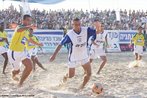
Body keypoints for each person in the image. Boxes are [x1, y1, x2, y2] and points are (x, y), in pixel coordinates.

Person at [50, 18, 100, 89]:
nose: (78, 26)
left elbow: (97, 32)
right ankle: (63, 79)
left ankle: (81, 87)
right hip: (73, 58)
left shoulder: (86, 30)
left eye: (79, 24)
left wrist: (98, 26)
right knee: (71, 76)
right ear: (72, 25)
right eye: (76, 25)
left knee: (89, 73)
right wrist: (54, 55)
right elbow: (60, 44)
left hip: (84, 56)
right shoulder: (70, 34)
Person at [7, 14, 43, 87]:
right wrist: (30, 26)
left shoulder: (26, 31)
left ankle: (20, 83)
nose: (29, 22)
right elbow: (19, 29)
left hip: (22, 52)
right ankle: (13, 74)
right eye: (27, 20)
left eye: (30, 20)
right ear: (23, 20)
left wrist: (38, 43)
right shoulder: (20, 27)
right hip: (13, 52)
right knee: (17, 71)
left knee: (29, 67)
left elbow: (29, 39)